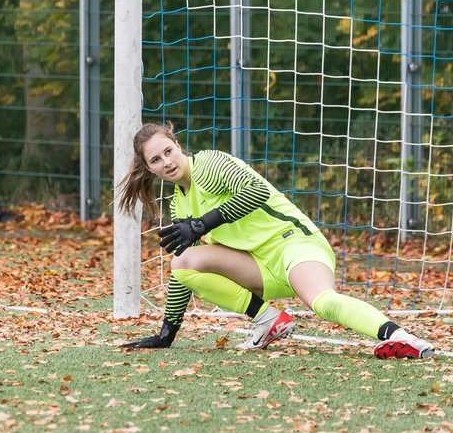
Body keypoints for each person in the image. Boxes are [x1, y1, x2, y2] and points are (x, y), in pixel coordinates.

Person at [115, 122, 436, 359]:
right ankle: (268, 319)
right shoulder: (178, 203)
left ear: (177, 144)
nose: (166, 162)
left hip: (294, 245)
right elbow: (184, 271)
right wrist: (166, 333)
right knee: (182, 262)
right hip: (260, 268)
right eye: (156, 160)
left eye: (168, 151)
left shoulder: (209, 164)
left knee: (322, 302)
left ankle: (401, 337)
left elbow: (257, 192)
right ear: (149, 168)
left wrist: (201, 224)